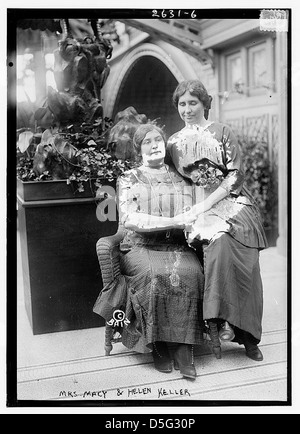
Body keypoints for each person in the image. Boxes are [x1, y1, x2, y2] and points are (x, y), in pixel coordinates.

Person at [93, 123, 205, 380]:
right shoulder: (129, 179)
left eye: (158, 140)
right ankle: (158, 345)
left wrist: (191, 224)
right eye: (147, 141)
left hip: (176, 245)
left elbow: (193, 213)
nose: (155, 144)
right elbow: (131, 220)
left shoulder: (181, 177)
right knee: (154, 276)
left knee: (191, 273)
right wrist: (174, 222)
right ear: (138, 148)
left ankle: (183, 348)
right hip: (140, 246)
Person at [167, 79, 268, 362]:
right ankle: (218, 321)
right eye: (182, 104)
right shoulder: (173, 143)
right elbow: (176, 183)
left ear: (204, 104)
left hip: (234, 202)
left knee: (244, 259)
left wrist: (207, 204)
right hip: (198, 207)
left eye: (192, 103)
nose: (187, 109)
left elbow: (236, 175)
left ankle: (247, 335)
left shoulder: (222, 131)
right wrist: (189, 210)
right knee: (219, 244)